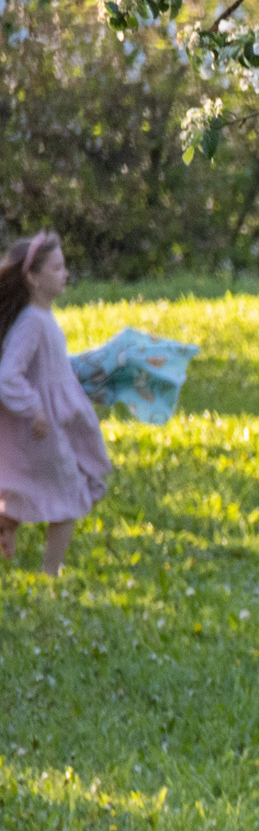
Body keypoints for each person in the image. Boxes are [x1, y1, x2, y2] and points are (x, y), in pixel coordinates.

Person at [0, 233, 110, 577]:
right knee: (69, 495)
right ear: (33, 277)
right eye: (57, 267)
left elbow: (46, 369)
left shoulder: (41, 319)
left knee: (33, 489)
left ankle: (5, 525)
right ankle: (51, 576)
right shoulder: (32, 322)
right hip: (41, 428)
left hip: (49, 424)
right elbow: (8, 375)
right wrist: (34, 407)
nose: (65, 274)